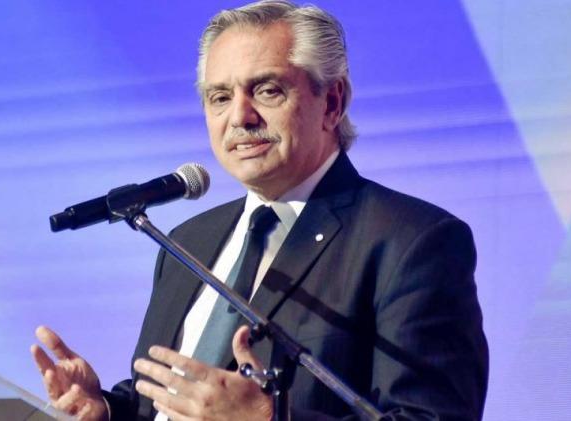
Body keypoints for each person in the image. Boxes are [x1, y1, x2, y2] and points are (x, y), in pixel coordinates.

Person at [31, 1, 489, 420]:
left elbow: (434, 417)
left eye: (267, 90)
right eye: (220, 97)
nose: (240, 117)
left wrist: (268, 419)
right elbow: (169, 404)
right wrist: (107, 410)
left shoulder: (410, 242)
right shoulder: (189, 241)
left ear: (332, 103)